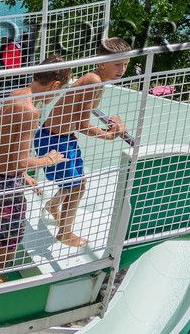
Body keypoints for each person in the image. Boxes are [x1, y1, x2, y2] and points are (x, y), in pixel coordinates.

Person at [0, 56, 73, 284]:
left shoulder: (17, 94)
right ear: (54, 85)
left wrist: (24, 175)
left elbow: (5, 142)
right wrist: (48, 160)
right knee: (9, 240)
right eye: (59, 91)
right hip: (5, 183)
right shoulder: (31, 111)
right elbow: (21, 160)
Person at [34, 36, 132, 247]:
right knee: (76, 187)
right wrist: (110, 134)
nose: (122, 69)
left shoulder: (98, 80)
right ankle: (64, 233)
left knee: (79, 182)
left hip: (64, 138)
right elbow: (81, 123)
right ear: (102, 63)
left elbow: (78, 117)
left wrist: (111, 125)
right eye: (118, 64)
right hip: (53, 140)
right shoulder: (94, 81)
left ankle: (53, 206)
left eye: (125, 64)